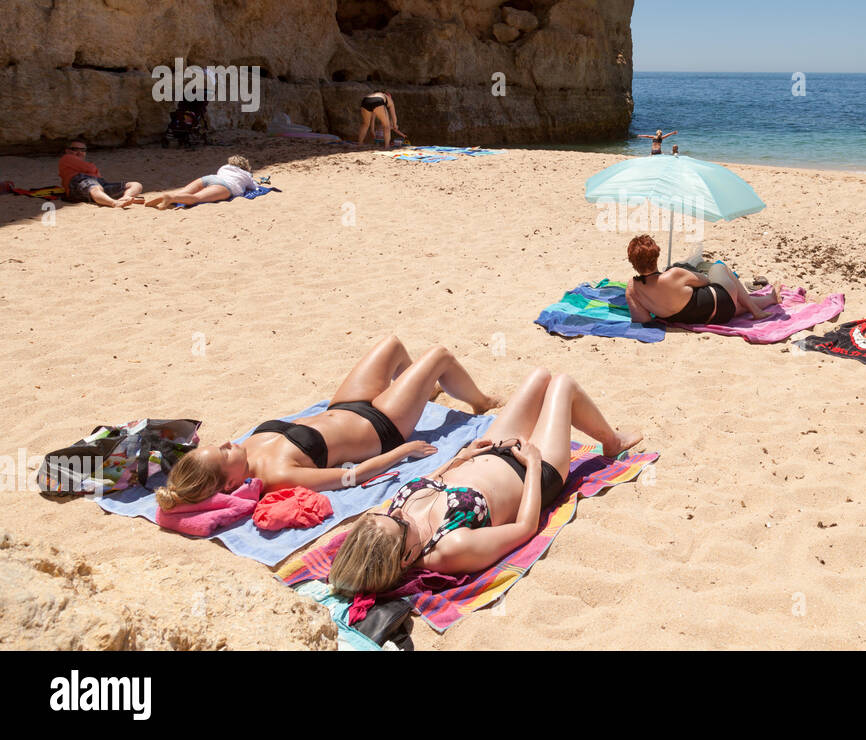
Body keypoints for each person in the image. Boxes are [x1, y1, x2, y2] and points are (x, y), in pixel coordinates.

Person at [327, 369, 642, 594]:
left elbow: (432, 480)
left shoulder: (390, 523)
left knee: (540, 377)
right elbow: (524, 529)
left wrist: (462, 456)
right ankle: (612, 442)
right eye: (400, 522)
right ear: (408, 557)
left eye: (387, 514)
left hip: (489, 449)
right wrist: (533, 464)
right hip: (536, 472)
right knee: (563, 385)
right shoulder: (450, 548)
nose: (396, 512)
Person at [154, 337, 502, 509]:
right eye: (224, 452)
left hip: (345, 405)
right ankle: (480, 402)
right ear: (230, 485)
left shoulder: (247, 450)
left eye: (221, 444)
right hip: (383, 426)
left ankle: (421, 396)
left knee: (392, 345)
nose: (230, 443)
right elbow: (351, 476)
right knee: (439, 356)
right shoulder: (277, 476)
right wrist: (404, 452)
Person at [623, 234, 781, 325]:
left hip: (706, 317)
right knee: (718, 268)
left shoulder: (632, 288)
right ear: (656, 256)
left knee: (733, 304)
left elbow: (642, 320)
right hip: (721, 303)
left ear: (632, 262)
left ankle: (771, 298)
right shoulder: (674, 274)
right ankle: (756, 311)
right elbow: (705, 281)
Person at [143, 155, 258, 208]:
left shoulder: (224, 167)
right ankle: (171, 198)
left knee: (184, 192)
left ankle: (171, 196)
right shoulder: (246, 174)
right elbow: (255, 187)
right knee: (196, 199)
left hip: (209, 178)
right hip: (225, 186)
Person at [57, 141, 144, 208]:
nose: (79, 152)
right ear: (67, 150)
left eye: (83, 150)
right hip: (79, 184)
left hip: (97, 186)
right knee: (95, 187)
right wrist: (92, 169)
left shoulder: (79, 163)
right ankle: (114, 203)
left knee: (136, 185)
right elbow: (91, 169)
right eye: (75, 149)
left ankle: (126, 197)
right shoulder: (67, 158)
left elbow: (94, 173)